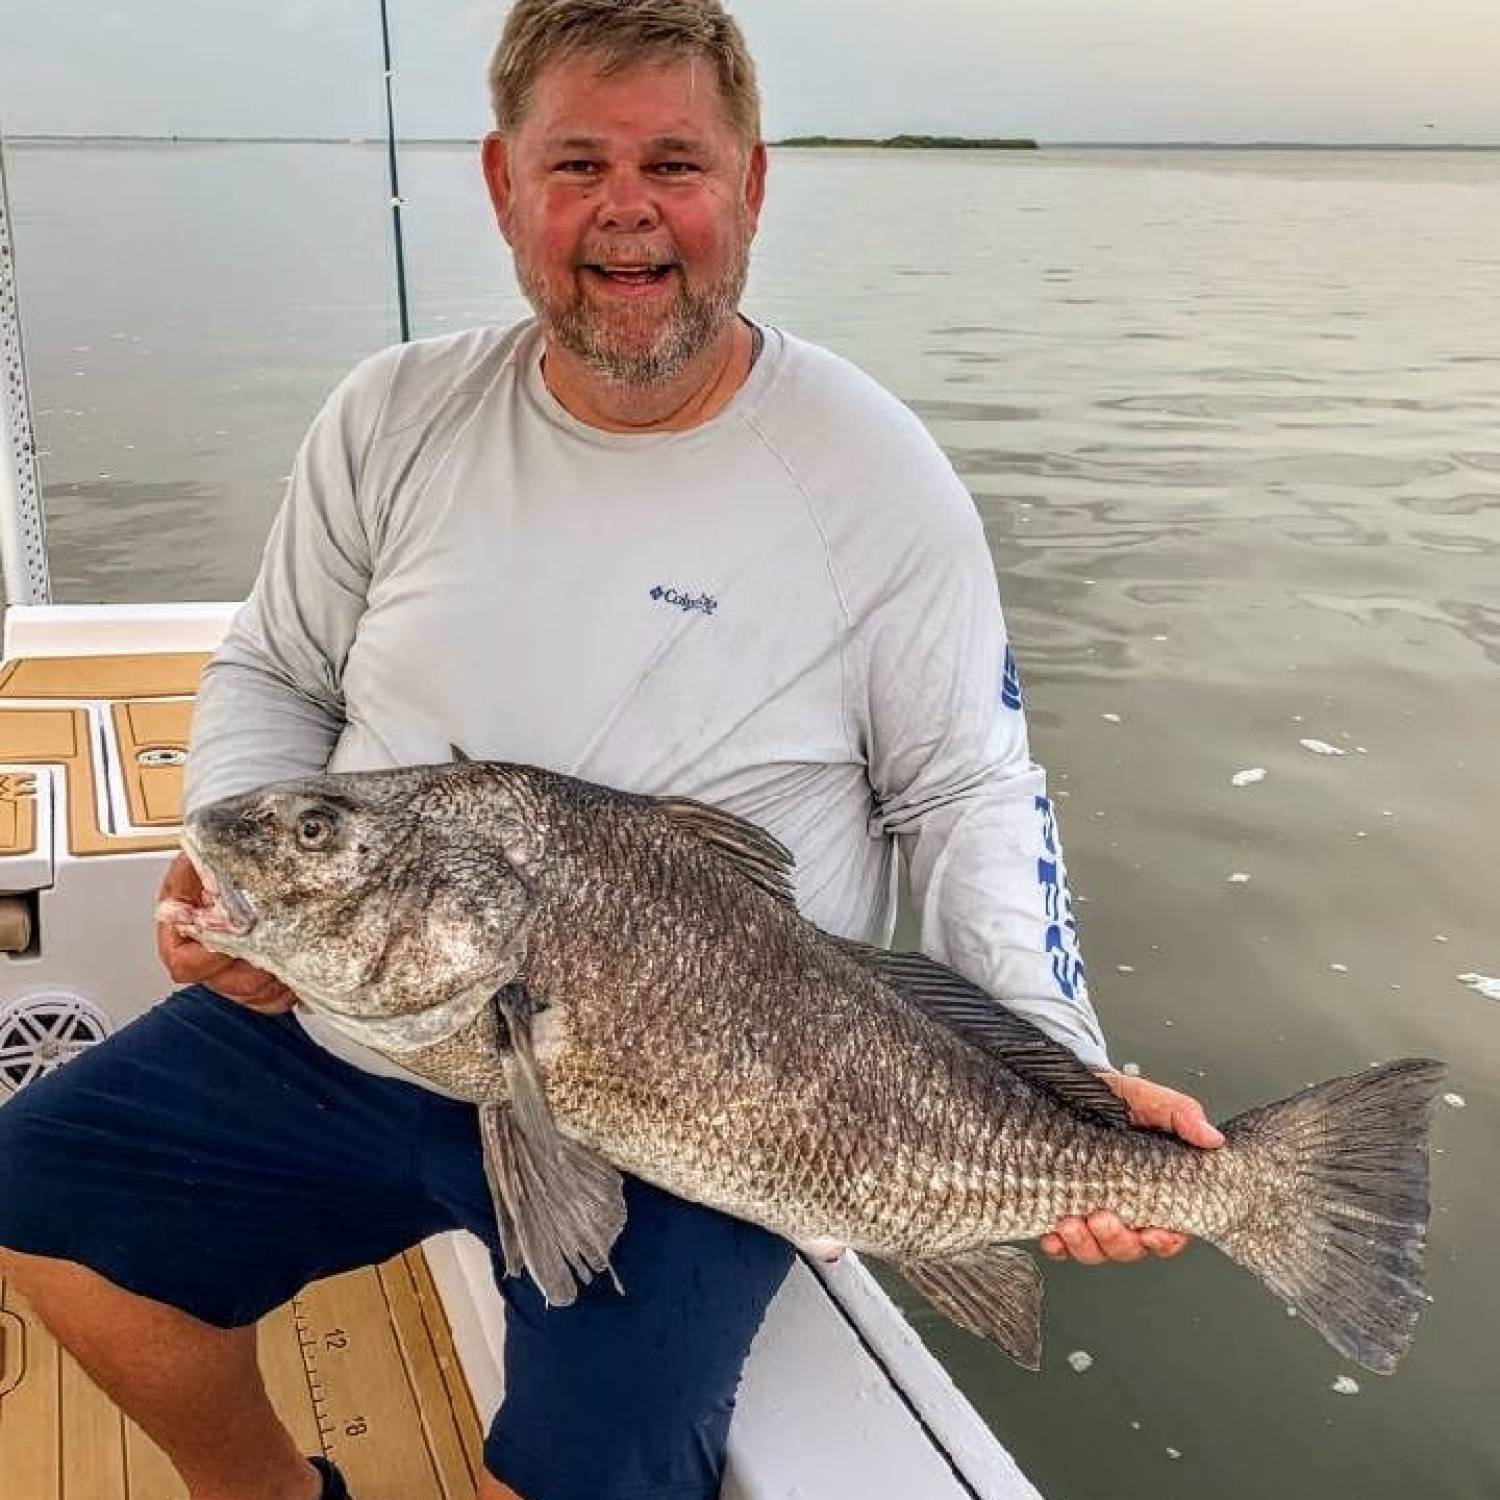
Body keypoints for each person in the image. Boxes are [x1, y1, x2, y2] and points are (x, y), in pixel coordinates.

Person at [0, 3, 1224, 1498]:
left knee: (601, 1466)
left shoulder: (873, 474)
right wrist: (227, 871)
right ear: (503, 184)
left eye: (674, 162)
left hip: (725, 1090)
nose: (626, 208)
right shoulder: (390, 416)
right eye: (576, 162)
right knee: (37, 1193)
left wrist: (1067, 1069)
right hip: (366, 1021)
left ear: (753, 186)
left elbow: (966, 789)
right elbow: (276, 665)